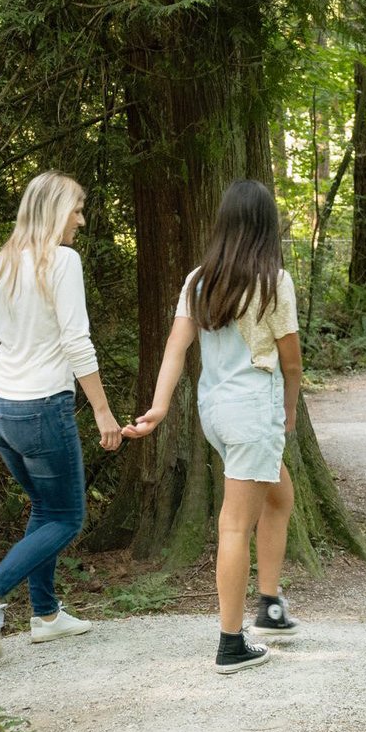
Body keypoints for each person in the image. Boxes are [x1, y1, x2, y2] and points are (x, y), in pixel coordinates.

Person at [0, 171, 122, 660]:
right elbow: (77, 341)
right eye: (76, 210)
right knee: (67, 517)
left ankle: (47, 614)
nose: (81, 220)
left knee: (44, 506)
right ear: (54, 212)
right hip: (40, 410)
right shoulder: (63, 262)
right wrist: (103, 412)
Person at [122, 180, 301, 674]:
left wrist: (159, 407)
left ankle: (269, 605)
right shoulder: (273, 281)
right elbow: (291, 364)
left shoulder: (198, 281)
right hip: (252, 413)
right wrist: (287, 412)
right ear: (265, 226)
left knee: (279, 496)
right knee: (235, 525)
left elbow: (175, 348)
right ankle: (230, 642)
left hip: (215, 414)